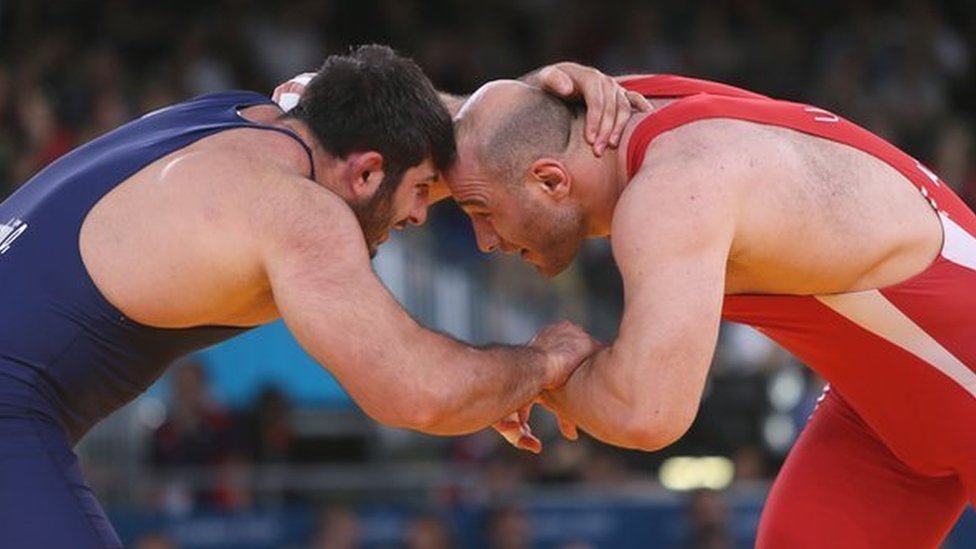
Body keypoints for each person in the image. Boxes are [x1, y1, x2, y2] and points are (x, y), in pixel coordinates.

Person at [0, 45, 635, 548]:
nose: (422, 214)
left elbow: (434, 124)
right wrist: (547, 361)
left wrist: (538, 101)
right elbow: (419, 392)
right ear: (363, 172)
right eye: (422, 193)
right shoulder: (294, 212)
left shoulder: (271, 112)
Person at [448, 74, 976, 548]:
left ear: (550, 180)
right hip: (885, 406)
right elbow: (470, 123)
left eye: (481, 211)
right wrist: (536, 80)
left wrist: (538, 370)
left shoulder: (673, 191)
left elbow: (645, 411)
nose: (484, 240)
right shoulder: (617, 108)